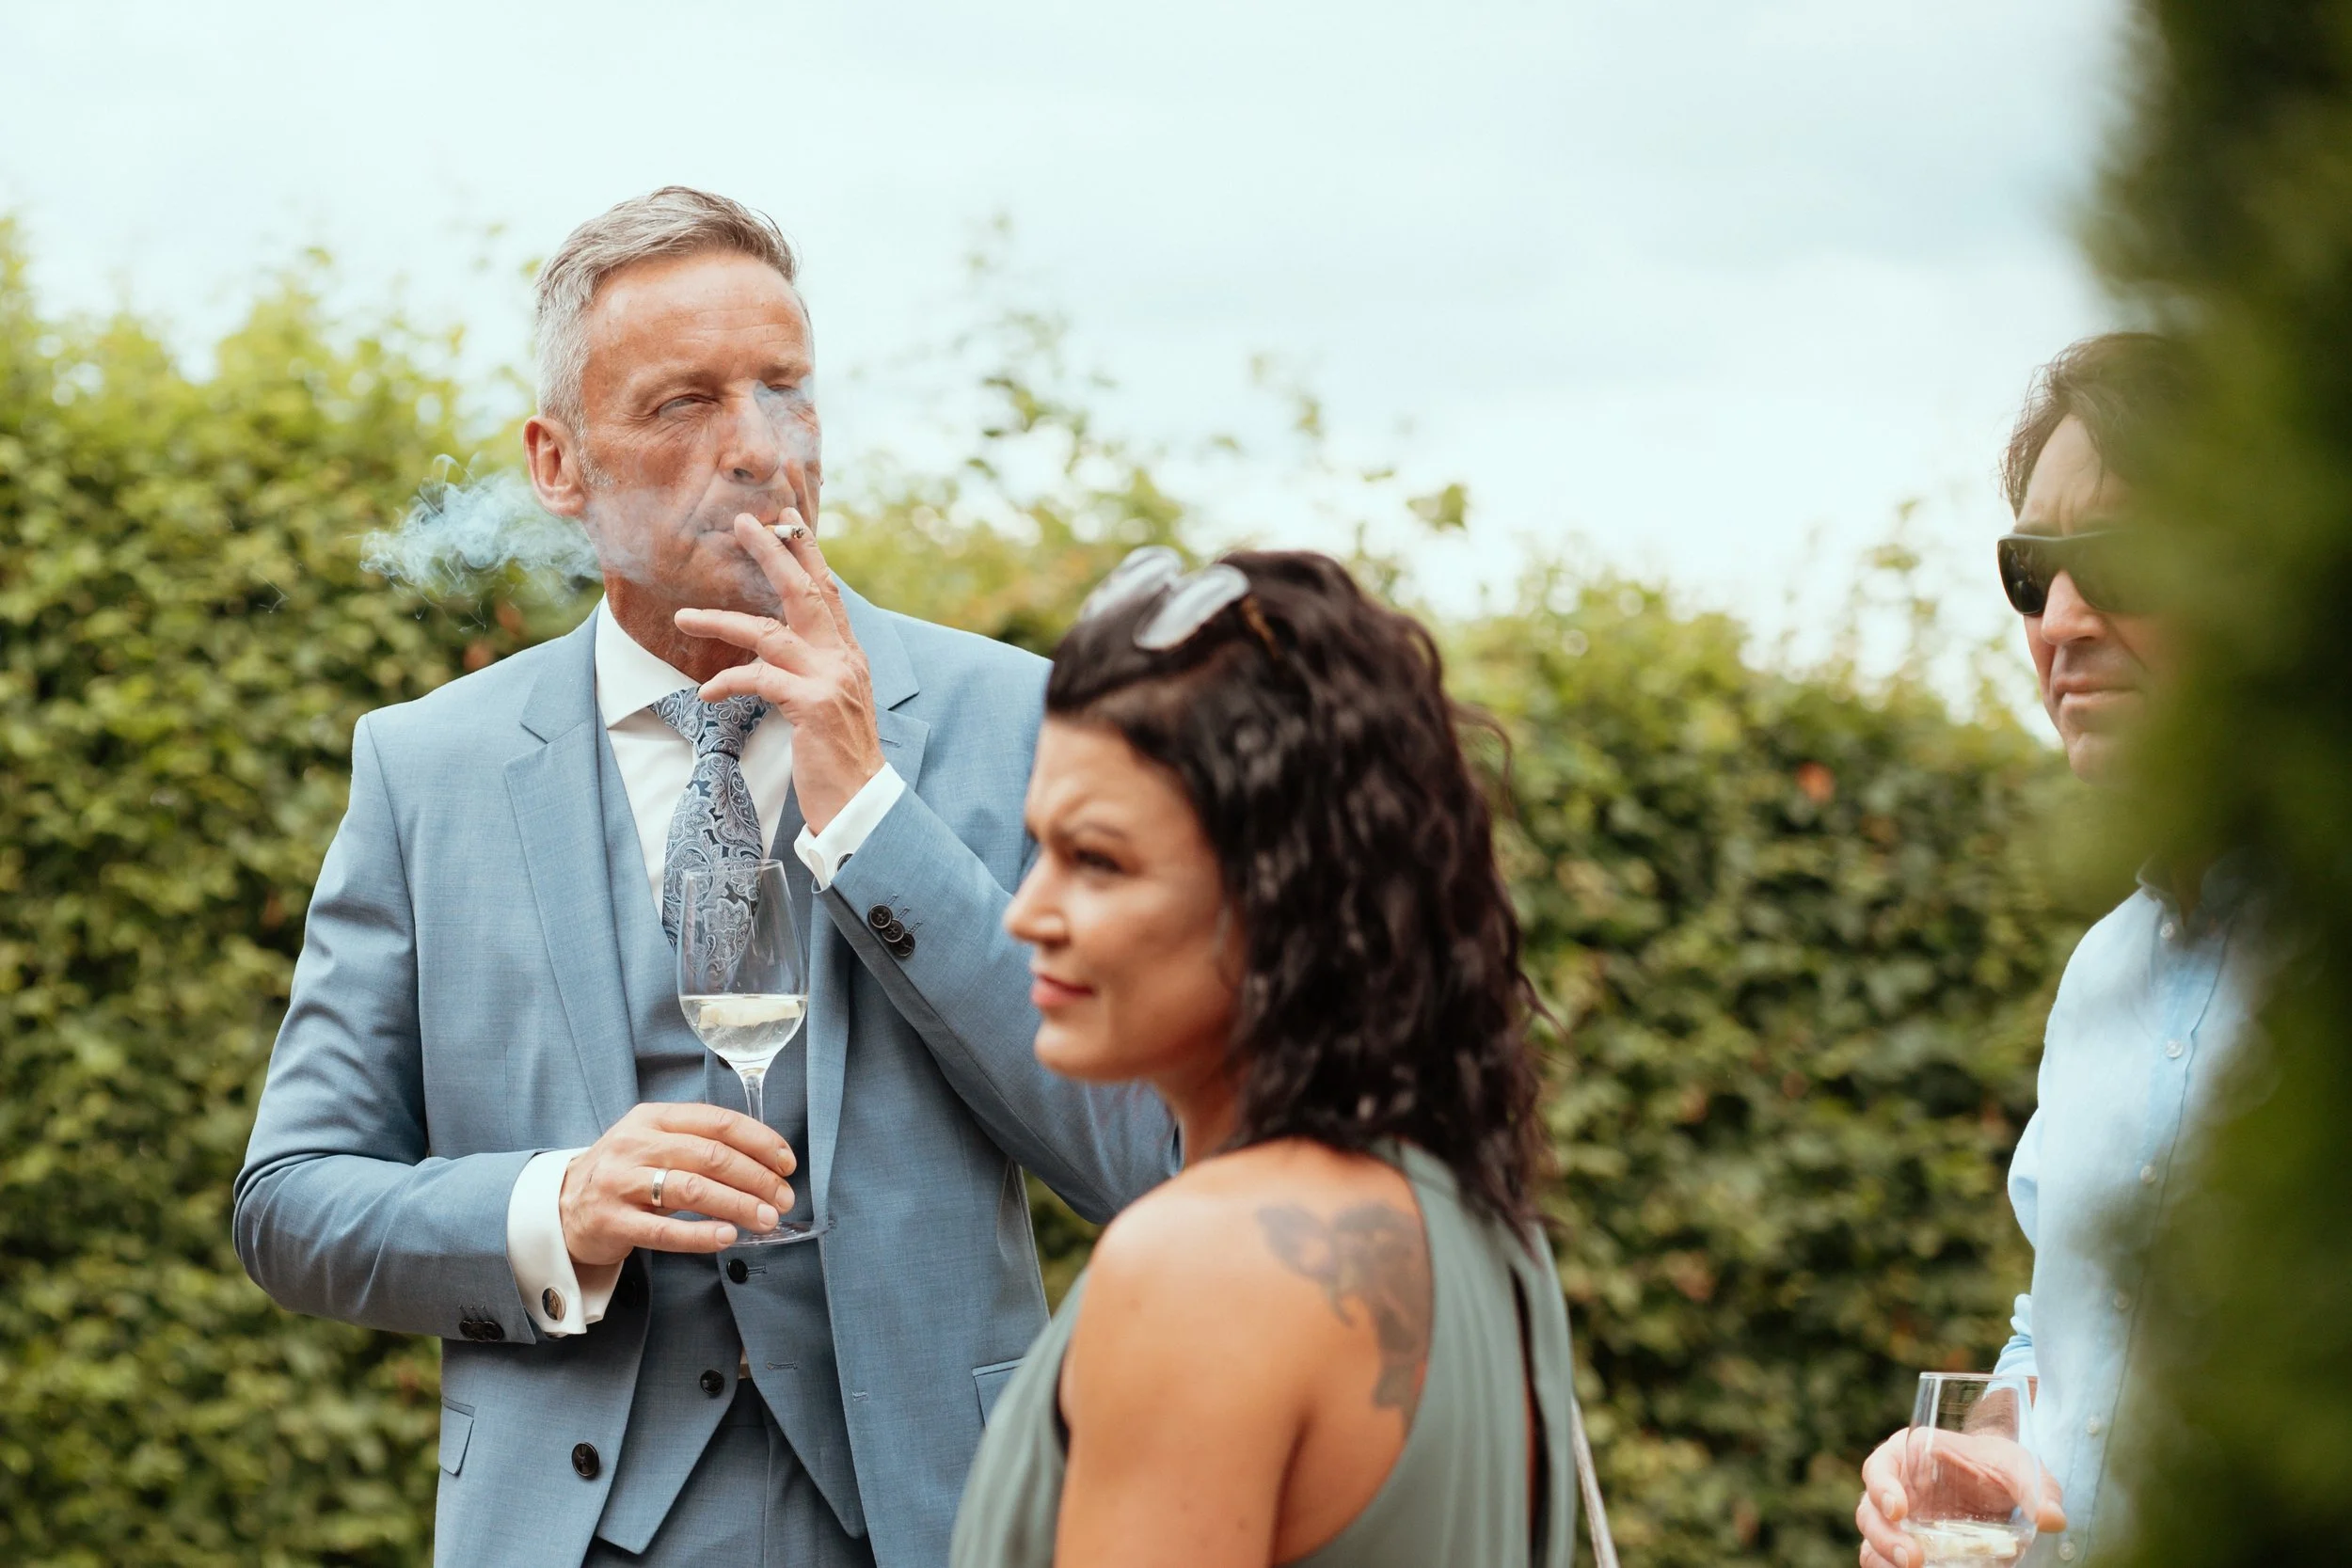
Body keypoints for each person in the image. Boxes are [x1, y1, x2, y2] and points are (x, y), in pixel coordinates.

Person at [232, 187, 1176, 1568]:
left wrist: (872, 820)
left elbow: (1145, 1151)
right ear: (559, 464)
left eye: (784, 390)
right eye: (684, 404)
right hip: (572, 1532)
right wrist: (552, 1204)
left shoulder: (1014, 718)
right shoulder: (426, 768)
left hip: (933, 1516)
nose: (755, 448)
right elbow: (292, 1200)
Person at [949, 547, 1579, 1568]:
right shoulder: (1480, 1218)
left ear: (1283, 894)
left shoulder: (1203, 1262)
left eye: (1097, 860)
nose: (1029, 911)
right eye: (1039, 847)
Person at [1854, 333, 2266, 1568]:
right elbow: (2061, 1341)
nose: (2065, 620)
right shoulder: (2103, 970)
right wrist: (1972, 1461)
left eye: (2125, 564)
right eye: (2034, 570)